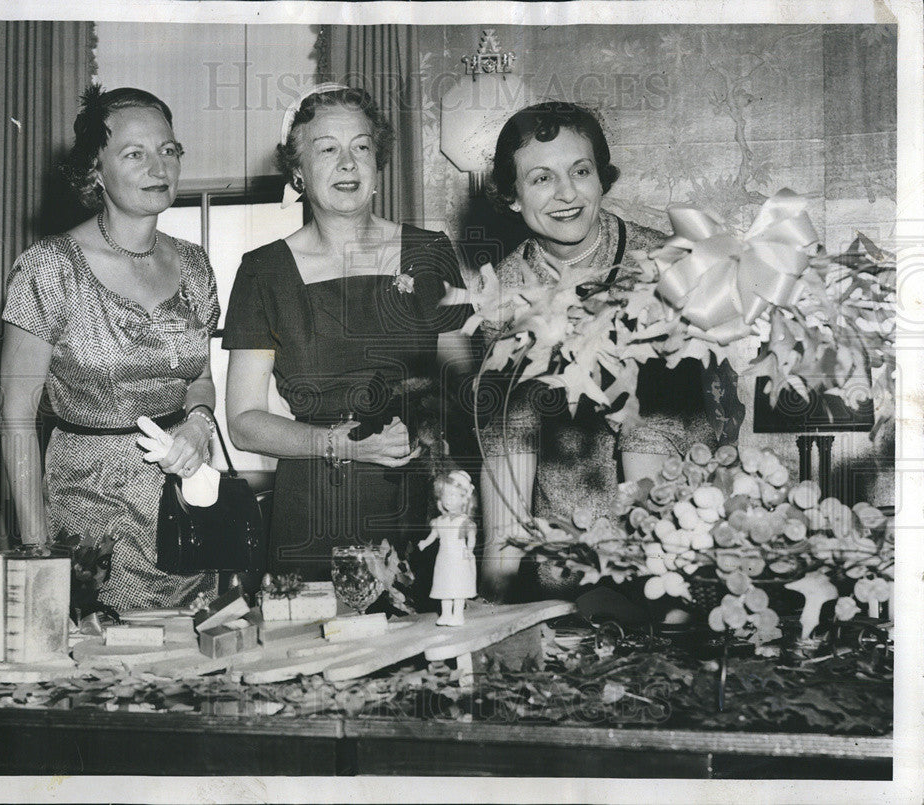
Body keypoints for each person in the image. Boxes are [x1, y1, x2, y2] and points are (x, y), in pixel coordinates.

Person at [223, 85, 473, 583]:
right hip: (316, 506)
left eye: (361, 147)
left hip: (424, 501)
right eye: (326, 149)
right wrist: (342, 445)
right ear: (297, 171)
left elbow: (466, 391)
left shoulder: (430, 252)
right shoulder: (263, 271)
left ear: (377, 166)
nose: (347, 163)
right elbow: (245, 423)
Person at [478, 101, 717, 601]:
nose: (567, 194)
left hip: (674, 561)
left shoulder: (666, 265)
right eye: (541, 178)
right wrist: (496, 603)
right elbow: (508, 451)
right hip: (561, 577)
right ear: (513, 197)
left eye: (580, 171)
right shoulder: (501, 298)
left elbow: (668, 428)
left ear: (601, 178)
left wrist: (666, 580)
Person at [0, 85, 220, 610]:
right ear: (94, 170)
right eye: (134, 153)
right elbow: (14, 416)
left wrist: (198, 422)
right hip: (88, 514)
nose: (158, 167)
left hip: (182, 503)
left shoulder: (194, 264)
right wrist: (38, 554)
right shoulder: (49, 266)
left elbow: (200, 377)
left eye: (169, 150)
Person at [417, 470, 478, 626]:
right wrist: (425, 542)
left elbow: (471, 538)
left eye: (453, 495)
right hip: (444, 558)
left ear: (464, 499)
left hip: (459, 557)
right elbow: (433, 535)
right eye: (445, 495)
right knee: (444, 587)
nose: (448, 500)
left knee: (458, 587)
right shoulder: (439, 521)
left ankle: (457, 615)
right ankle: (445, 614)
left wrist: (469, 550)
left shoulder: (464, 521)